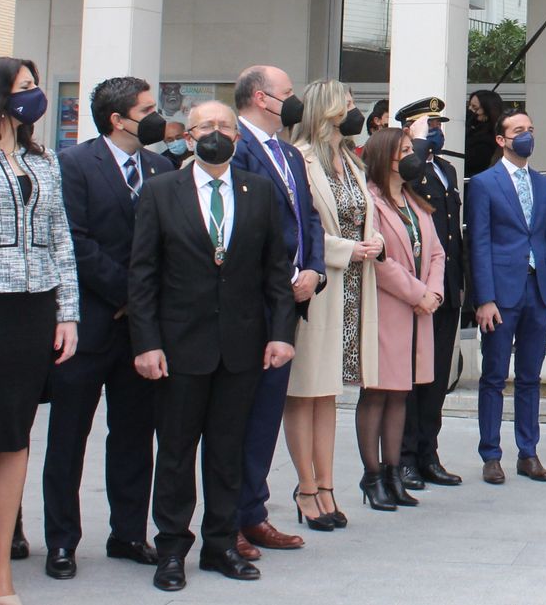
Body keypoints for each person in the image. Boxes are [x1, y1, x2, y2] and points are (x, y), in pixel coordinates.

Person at [128, 101, 296, 592]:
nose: (216, 133)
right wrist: (147, 343)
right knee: (177, 453)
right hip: (179, 347)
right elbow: (142, 275)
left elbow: (276, 274)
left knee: (227, 451)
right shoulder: (161, 192)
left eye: (225, 126)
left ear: (238, 138)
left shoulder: (259, 192)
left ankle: (220, 544)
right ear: (188, 136)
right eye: (207, 126)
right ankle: (172, 550)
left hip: (242, 345)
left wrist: (281, 334)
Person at [0, 57, 79, 605]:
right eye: (25, 87)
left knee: (15, 436)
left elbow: (61, 239)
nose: (34, 95)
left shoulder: (43, 158)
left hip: (34, 310)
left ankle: (1, 567)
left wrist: (67, 312)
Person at [43, 77, 171, 581]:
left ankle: (128, 533)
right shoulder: (74, 165)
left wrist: (141, 309)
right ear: (119, 120)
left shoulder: (161, 168)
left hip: (140, 335)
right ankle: (61, 542)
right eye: (147, 109)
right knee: (68, 439)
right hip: (89, 326)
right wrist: (128, 296)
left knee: (135, 438)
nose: (158, 116)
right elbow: (74, 241)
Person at [230, 65, 325, 557]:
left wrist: (314, 270)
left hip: (289, 303)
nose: (294, 102)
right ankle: (231, 520)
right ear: (263, 98)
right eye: (288, 94)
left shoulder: (288, 152)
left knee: (266, 413)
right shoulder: (236, 147)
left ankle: (254, 510)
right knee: (238, 416)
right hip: (249, 303)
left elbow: (307, 216)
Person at [283, 81, 381, 533]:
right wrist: (346, 249)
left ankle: (327, 486)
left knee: (329, 395)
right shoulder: (299, 159)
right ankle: (306, 488)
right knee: (304, 393)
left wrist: (373, 241)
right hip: (320, 287)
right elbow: (297, 229)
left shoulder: (349, 161)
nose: (354, 111)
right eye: (349, 104)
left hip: (354, 288)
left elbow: (363, 215)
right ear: (327, 109)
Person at [467, 110, 546, 484]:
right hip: (501, 293)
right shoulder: (484, 183)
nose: (526, 135)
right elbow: (478, 244)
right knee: (494, 376)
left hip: (538, 291)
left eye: (530, 129)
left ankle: (529, 452)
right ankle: (491, 454)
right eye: (518, 130)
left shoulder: (542, 185)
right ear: (501, 139)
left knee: (530, 376)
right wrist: (484, 299)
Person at [357, 128, 446, 511]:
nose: (412, 156)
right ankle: (372, 475)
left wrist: (435, 293)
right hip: (388, 309)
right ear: (384, 157)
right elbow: (379, 262)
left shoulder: (415, 201)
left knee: (400, 394)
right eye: (404, 150)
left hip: (418, 311)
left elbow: (438, 252)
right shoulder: (370, 203)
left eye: (413, 149)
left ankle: (395, 472)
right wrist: (417, 293)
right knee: (376, 392)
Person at [396, 99, 466, 490]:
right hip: (418, 287)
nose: (438, 131)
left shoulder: (446, 169)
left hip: (447, 285)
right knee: (411, 377)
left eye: (440, 124)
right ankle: (404, 456)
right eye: (429, 125)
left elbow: (453, 232)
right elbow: (407, 179)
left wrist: (460, 284)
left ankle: (428, 452)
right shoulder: (407, 165)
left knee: (437, 377)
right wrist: (416, 145)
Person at [465, 90, 504, 179]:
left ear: (487, 111)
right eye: (469, 105)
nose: (470, 110)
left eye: (475, 107)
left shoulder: (489, 138)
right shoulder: (472, 127)